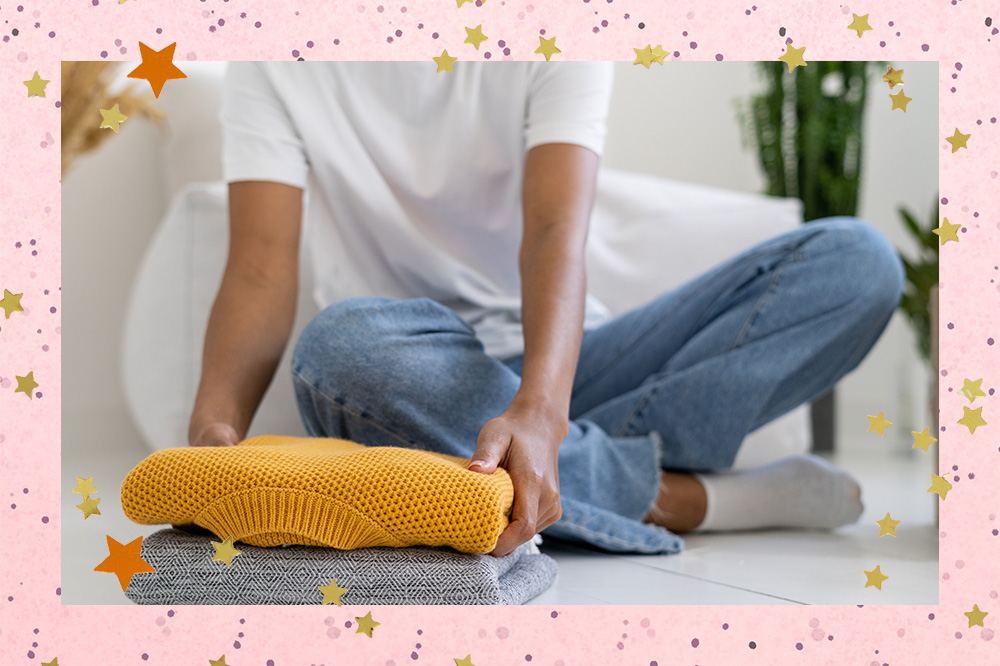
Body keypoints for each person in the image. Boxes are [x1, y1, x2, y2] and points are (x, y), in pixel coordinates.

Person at [188, 61, 902, 558]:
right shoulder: (276, 51)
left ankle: (551, 469)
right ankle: (700, 501)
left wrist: (540, 412)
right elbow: (258, 266)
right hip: (410, 374)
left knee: (858, 262)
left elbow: (556, 231)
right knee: (339, 351)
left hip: (562, 368)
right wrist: (212, 437)